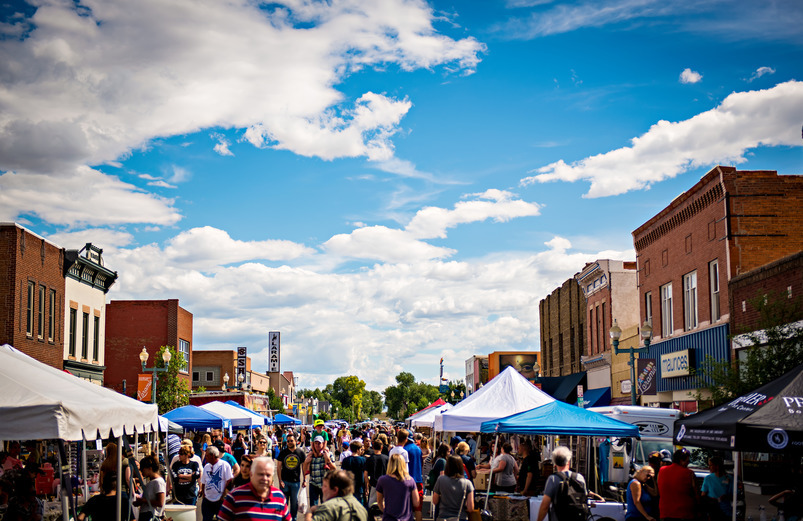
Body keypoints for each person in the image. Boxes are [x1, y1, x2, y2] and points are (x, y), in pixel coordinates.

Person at [217, 456, 291, 521]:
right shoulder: (234, 497)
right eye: (260, 474)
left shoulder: (279, 497)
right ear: (251, 474)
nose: (264, 478)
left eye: (268, 475)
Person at [535, 446, 588, 521]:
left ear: (555, 464)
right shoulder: (579, 477)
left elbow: (545, 506)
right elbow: (584, 498)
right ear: (568, 461)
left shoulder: (553, 479)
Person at [377, 453, 421, 521]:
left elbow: (379, 502)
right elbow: (416, 503)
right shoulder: (410, 480)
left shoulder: (382, 480)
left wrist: (385, 510)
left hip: (389, 518)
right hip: (407, 518)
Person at [658, 448, 697, 521]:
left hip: (665, 513)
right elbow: (695, 493)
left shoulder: (662, 470)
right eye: (687, 461)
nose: (688, 463)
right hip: (683, 513)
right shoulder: (689, 473)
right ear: (681, 461)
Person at [433, 455, 475, 521]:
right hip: (460, 517)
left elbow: (435, 501)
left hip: (443, 517)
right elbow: (470, 508)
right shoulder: (467, 483)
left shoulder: (441, 479)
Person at [278, 433, 307, 521]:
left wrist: (304, 479)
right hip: (284, 481)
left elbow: (304, 467)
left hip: (295, 482)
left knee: (294, 503)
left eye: (291, 441)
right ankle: (284, 519)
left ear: (296, 441)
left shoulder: (300, 452)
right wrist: (280, 480)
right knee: (284, 502)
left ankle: (293, 519)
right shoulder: (283, 452)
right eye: (288, 441)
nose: (289, 443)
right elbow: (278, 467)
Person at [199, 446, 234, 521]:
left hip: (219, 500)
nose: (206, 457)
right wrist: (204, 495)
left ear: (212, 456)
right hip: (207, 500)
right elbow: (204, 481)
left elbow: (229, 480)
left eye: (207, 455)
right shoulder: (206, 466)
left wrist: (224, 495)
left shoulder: (225, 465)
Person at [304, 436, 335, 506]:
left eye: (319, 443)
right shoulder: (311, 455)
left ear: (323, 444)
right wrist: (306, 463)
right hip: (313, 483)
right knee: (313, 507)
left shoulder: (328, 454)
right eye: (316, 443)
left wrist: (328, 460)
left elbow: (334, 468)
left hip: (325, 484)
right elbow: (304, 470)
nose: (317, 445)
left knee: (325, 507)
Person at [134, 455, 165, 521]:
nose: (141, 472)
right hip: (146, 514)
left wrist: (144, 500)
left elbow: (160, 503)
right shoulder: (151, 482)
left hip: (150, 515)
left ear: (149, 468)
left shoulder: (158, 482)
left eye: (142, 469)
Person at [701, 456, 732, 521]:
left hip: (726, 510)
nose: (709, 467)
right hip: (713, 509)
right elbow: (703, 495)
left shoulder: (729, 478)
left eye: (711, 465)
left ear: (717, 466)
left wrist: (725, 497)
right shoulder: (708, 478)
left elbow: (733, 494)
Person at [341, 440, 368, 506]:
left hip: (349, 486)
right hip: (359, 486)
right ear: (358, 450)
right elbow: (365, 475)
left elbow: (344, 474)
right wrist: (366, 487)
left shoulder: (346, 460)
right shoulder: (363, 460)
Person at [367, 439, 390, 507]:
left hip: (374, 483)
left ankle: (370, 516)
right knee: (384, 502)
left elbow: (365, 474)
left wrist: (367, 484)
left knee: (371, 502)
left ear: (373, 447)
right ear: (382, 447)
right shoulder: (386, 458)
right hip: (385, 483)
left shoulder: (370, 459)